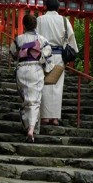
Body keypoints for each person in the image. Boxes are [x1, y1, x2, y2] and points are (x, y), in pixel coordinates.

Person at [10, 13, 54, 143]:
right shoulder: (42, 40)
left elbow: (13, 53)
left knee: (26, 99)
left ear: (23, 25)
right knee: (35, 101)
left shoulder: (19, 39)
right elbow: (48, 54)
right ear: (36, 25)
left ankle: (28, 126)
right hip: (35, 69)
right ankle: (31, 130)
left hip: (22, 69)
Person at [37, 0, 78, 126]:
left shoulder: (39, 20)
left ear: (45, 7)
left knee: (43, 85)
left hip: (43, 56)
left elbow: (35, 38)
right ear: (58, 7)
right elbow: (71, 40)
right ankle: (55, 118)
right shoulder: (64, 21)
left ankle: (44, 117)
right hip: (59, 56)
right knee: (57, 87)